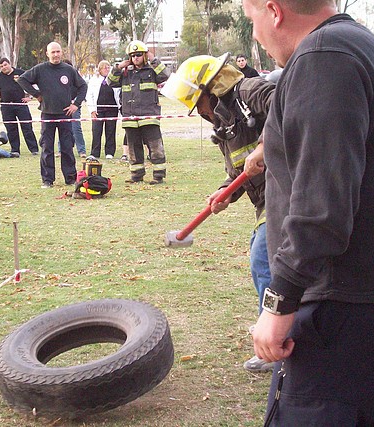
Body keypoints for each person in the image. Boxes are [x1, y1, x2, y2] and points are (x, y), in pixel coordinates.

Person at [242, 0, 374, 424]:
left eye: (252, 20)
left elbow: (322, 207)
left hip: (347, 306)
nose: (256, 35)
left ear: (274, 11)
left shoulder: (324, 56)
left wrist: (279, 302)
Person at [162, 54, 276, 372]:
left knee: (263, 259)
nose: (198, 112)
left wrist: (265, 145)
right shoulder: (226, 123)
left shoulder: (250, 91)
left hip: (292, 192)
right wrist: (227, 191)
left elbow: (292, 106)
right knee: (274, 264)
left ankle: (274, 342)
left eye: (198, 102)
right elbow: (242, 168)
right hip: (267, 200)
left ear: (212, 90)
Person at [19, 41, 87, 188]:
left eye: (58, 52)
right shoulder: (40, 69)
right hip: (47, 114)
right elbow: (22, 79)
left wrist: (76, 104)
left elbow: (83, 86)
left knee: (67, 147)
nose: (56, 55)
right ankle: (47, 180)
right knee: (47, 148)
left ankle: (70, 178)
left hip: (65, 114)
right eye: (53, 52)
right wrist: (36, 94)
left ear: (61, 52)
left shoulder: (69, 70)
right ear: (47, 54)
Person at [108, 40, 170, 184]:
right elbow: (110, 82)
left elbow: (165, 75)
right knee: (133, 148)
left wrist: (153, 59)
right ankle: (136, 175)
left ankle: (158, 175)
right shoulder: (125, 73)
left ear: (144, 55)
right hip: (130, 116)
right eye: (133, 55)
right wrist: (118, 67)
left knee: (155, 146)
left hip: (149, 116)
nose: (136, 58)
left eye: (139, 55)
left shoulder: (151, 71)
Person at [0, 57, 39, 157]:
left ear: (10, 64)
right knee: (11, 128)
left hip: (20, 104)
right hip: (6, 106)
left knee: (27, 127)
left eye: (5, 65)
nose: (4, 67)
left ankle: (34, 149)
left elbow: (34, 82)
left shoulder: (20, 72)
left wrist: (30, 96)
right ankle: (15, 150)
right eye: (1, 66)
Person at [87, 60, 120, 158]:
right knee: (96, 131)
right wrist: (92, 110)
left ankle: (109, 152)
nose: (107, 69)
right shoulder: (94, 80)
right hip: (98, 110)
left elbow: (118, 94)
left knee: (110, 131)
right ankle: (94, 153)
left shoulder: (114, 79)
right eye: (105, 67)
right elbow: (90, 95)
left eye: (108, 67)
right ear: (100, 69)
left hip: (112, 110)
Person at [62, 59, 87, 158]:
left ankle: (81, 150)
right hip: (62, 106)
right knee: (62, 128)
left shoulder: (76, 77)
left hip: (74, 106)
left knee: (76, 128)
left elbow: (83, 88)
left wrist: (75, 103)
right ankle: (61, 150)